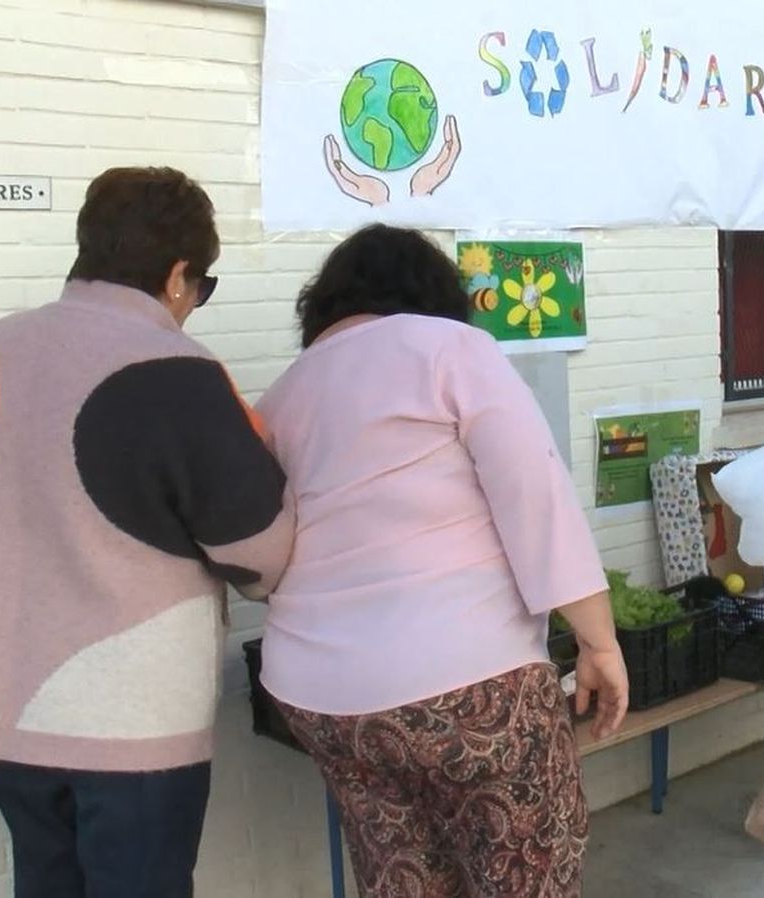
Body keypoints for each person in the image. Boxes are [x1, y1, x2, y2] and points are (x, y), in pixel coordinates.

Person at [0, 167, 297, 897]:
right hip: (132, 722)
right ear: (178, 273)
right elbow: (262, 553)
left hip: (3, 710)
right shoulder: (183, 373)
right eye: (200, 288)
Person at [254, 225, 628, 898]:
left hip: (323, 700)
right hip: (468, 684)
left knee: (405, 879)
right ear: (432, 293)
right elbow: (534, 495)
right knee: (526, 876)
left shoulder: (281, 397)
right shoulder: (453, 348)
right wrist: (598, 641)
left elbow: (265, 547)